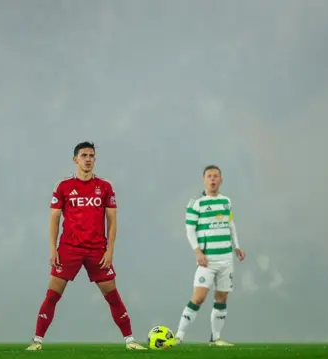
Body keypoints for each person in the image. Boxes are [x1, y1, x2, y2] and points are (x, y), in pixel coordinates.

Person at [26, 141, 146, 350]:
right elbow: (54, 219)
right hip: (69, 248)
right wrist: (53, 249)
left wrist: (110, 251)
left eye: (91, 155)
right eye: (84, 155)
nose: (88, 159)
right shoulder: (63, 187)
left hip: (97, 250)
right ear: (75, 159)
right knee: (53, 294)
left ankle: (130, 340)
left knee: (112, 294)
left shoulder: (105, 187)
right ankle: (37, 340)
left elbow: (112, 221)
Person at [174, 165, 246, 346]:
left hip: (226, 259)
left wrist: (237, 246)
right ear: (204, 180)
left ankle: (215, 338)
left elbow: (231, 225)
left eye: (216, 176)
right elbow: (189, 230)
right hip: (208, 260)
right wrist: (197, 251)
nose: (212, 179)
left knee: (221, 298)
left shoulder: (226, 202)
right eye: (209, 176)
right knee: (198, 297)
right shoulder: (196, 203)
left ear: (221, 180)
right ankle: (179, 336)